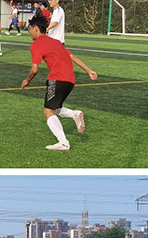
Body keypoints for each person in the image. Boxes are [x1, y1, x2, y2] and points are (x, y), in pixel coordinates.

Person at [21, 14, 97, 152]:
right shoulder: (56, 42)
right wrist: (89, 70)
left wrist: (27, 80)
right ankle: (74, 114)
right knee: (54, 107)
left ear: (36, 28)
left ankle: (63, 143)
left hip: (57, 78)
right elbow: (72, 56)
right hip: (70, 80)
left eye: (30, 29)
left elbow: (34, 69)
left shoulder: (36, 44)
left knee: (48, 111)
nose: (29, 32)